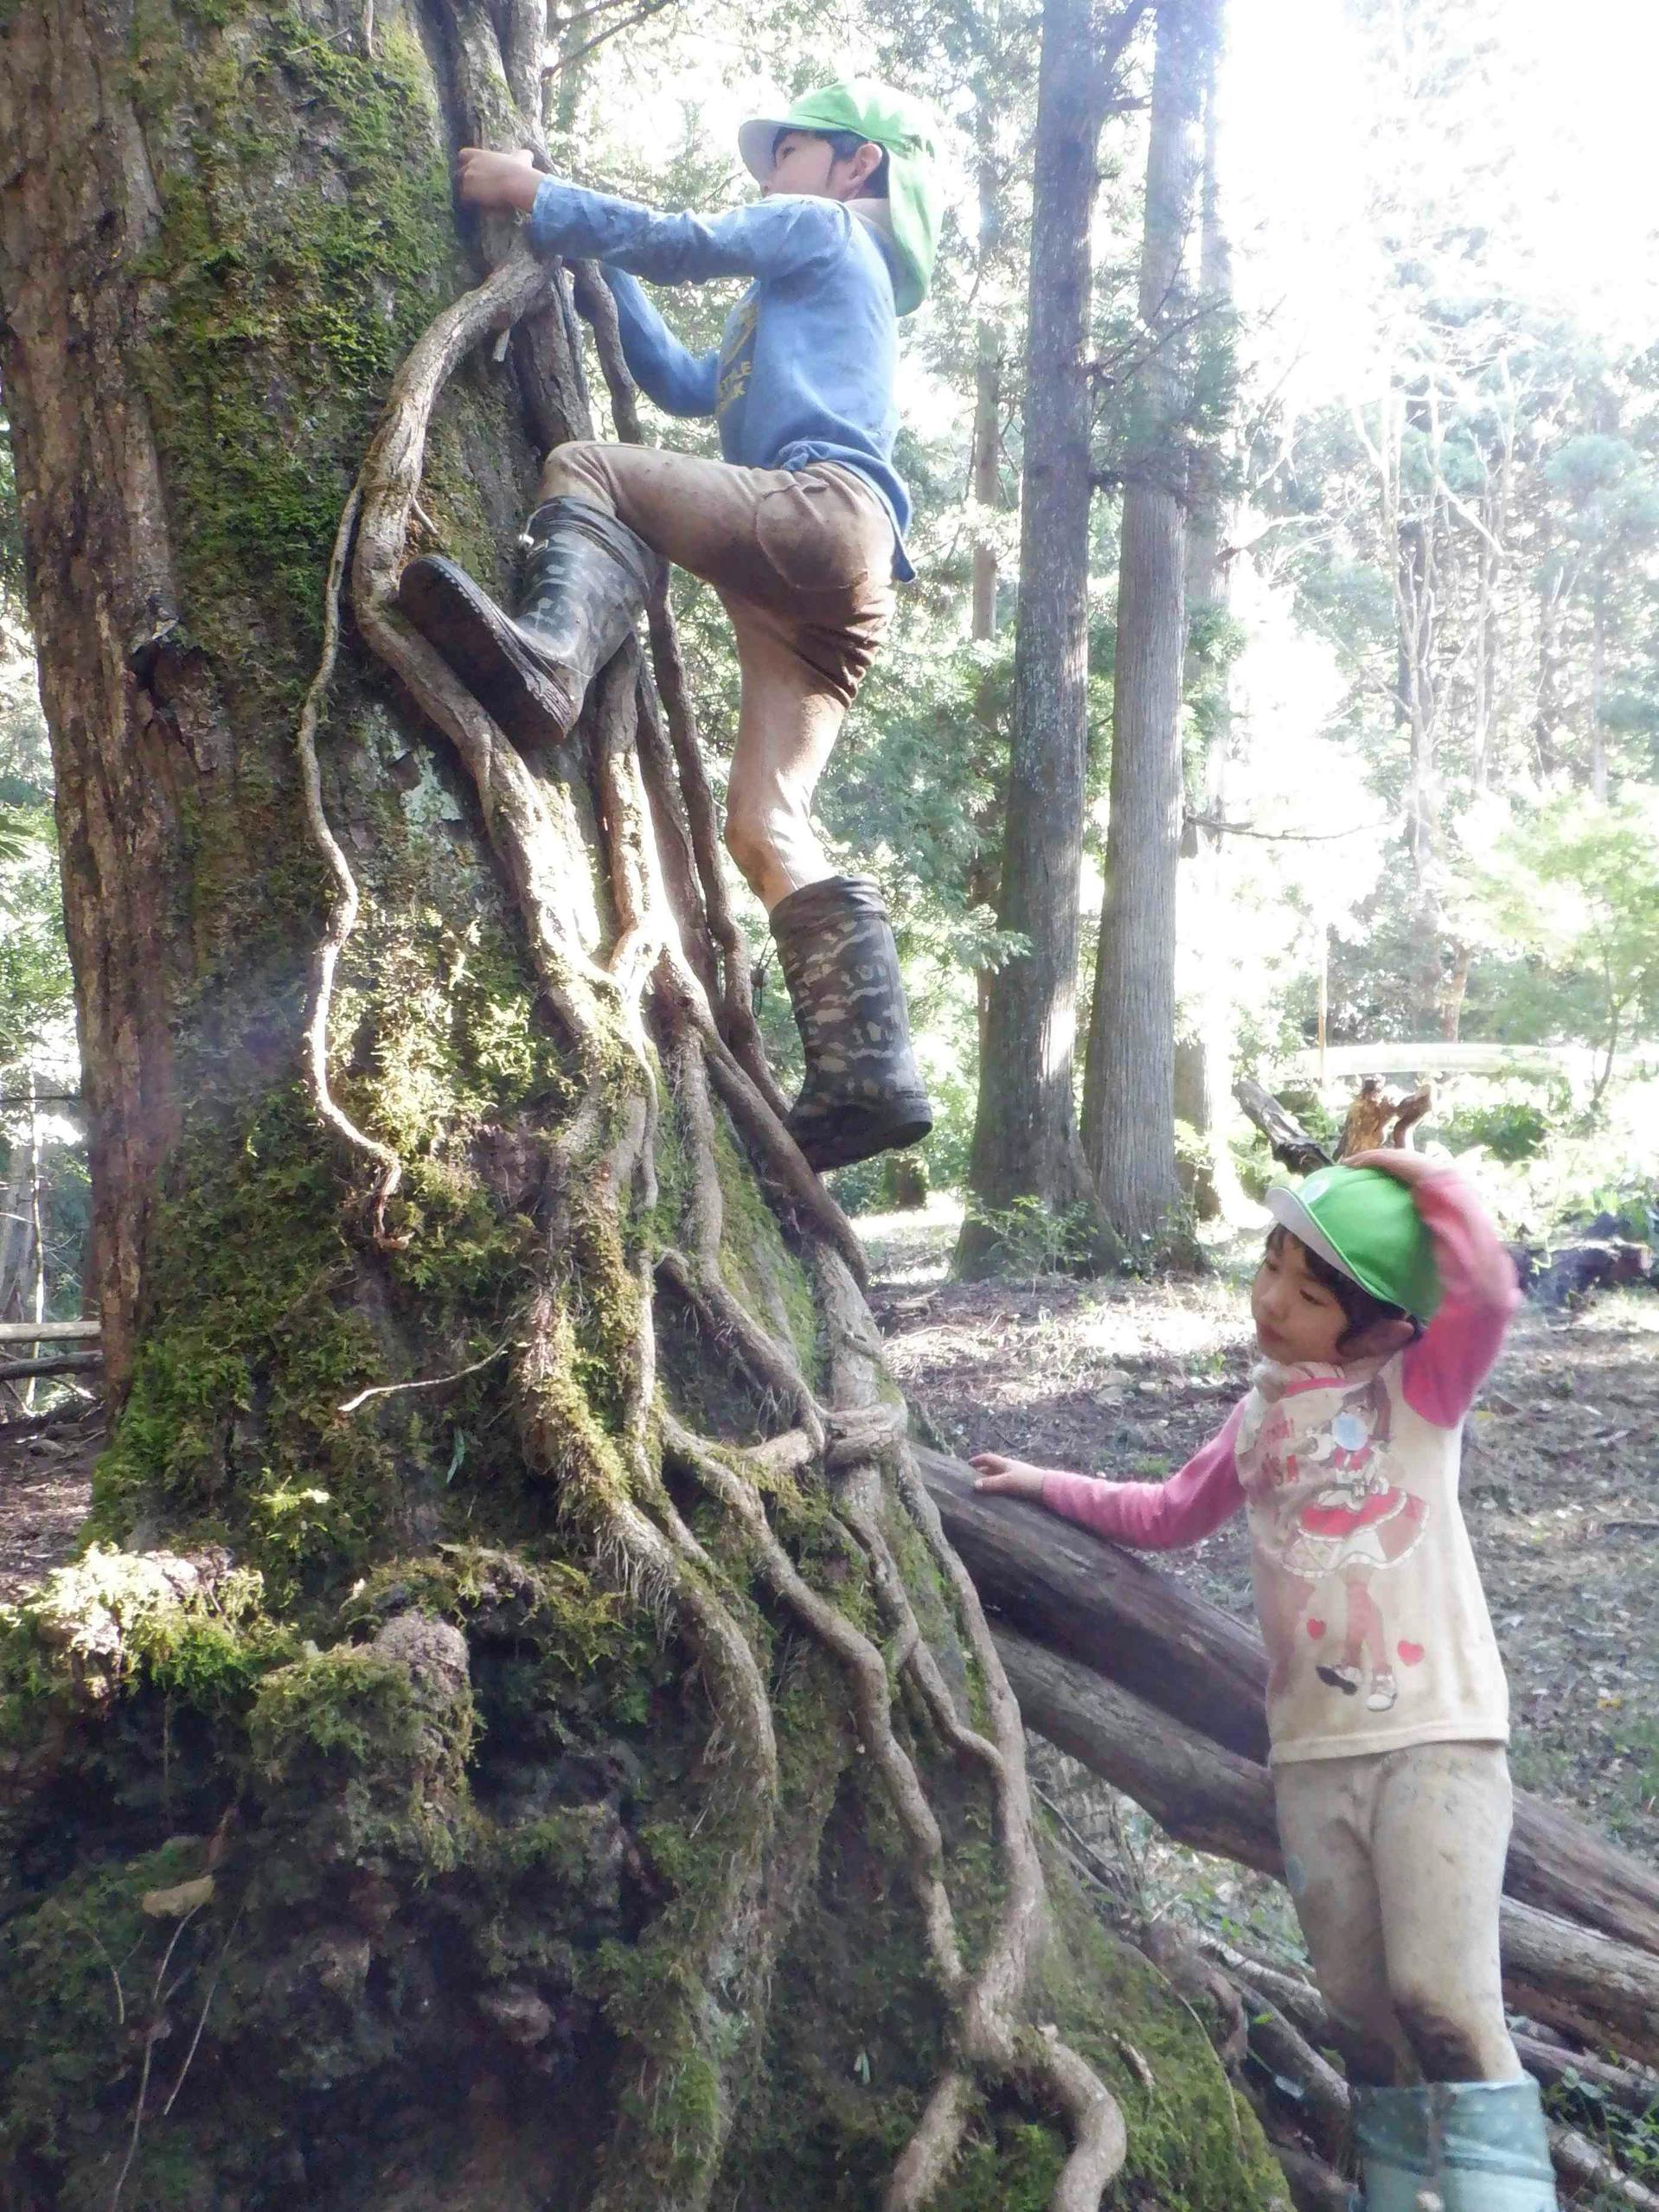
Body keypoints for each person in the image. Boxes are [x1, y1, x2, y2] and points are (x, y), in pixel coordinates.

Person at [971, 1153, 1559, 2212]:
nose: (1271, 1299)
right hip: (1309, 1755)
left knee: (1441, 1997)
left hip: (1436, 1734)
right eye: (1269, 1264)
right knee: (1359, 2020)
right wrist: (1037, 1482)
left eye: (1309, 1288)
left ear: (1377, 1326)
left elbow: (1485, 1285)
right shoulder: (1256, 1421)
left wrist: (1398, 1166)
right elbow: (1161, 1511)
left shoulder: (1422, 1389)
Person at [397, 82, 942, 1175]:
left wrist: (539, 195)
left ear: (855, 166)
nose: (768, 176)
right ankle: (870, 1079)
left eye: (786, 151)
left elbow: (685, 243)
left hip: (821, 512)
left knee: (587, 469)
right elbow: (686, 384)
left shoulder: (828, 225)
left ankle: (550, 659)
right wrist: (591, 268)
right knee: (764, 822)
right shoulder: (798, 287)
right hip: (841, 577)